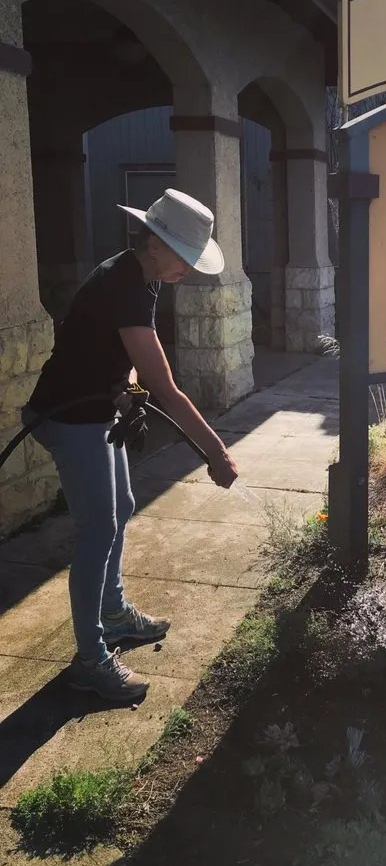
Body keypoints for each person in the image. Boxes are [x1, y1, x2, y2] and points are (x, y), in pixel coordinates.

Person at [23, 189, 239, 702]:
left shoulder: (141, 276)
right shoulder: (124, 282)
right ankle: (91, 660)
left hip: (95, 409)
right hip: (68, 415)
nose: (189, 265)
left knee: (120, 508)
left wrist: (127, 389)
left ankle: (114, 615)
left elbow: (130, 356)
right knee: (97, 528)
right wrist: (215, 452)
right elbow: (169, 386)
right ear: (154, 241)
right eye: (183, 253)